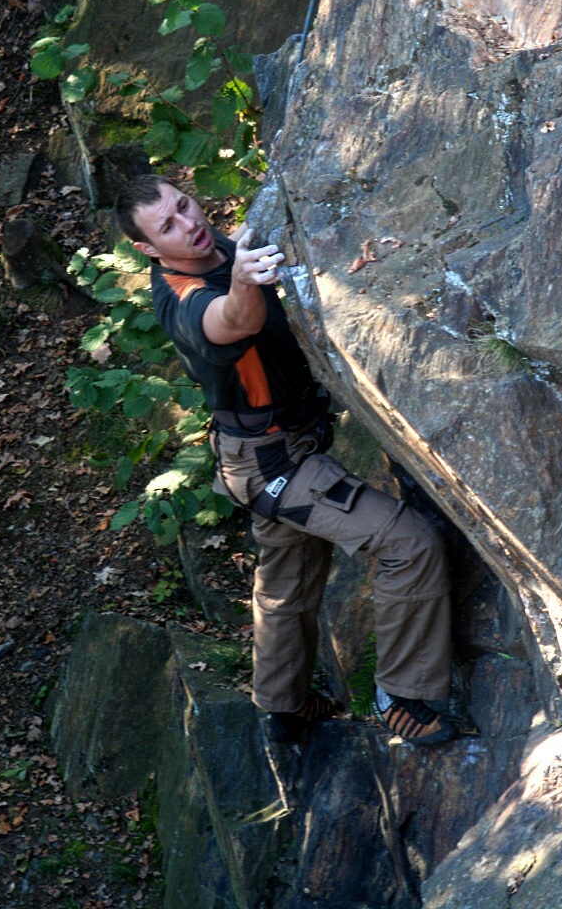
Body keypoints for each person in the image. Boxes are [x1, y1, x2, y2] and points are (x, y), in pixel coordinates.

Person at [115, 175, 459, 745]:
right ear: (149, 249)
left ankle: (281, 708)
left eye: (184, 205)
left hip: (266, 450)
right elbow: (232, 321)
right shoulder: (179, 295)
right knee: (409, 544)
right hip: (273, 464)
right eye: (168, 226)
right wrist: (245, 280)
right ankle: (400, 695)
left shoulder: (222, 247)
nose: (189, 224)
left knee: (287, 579)